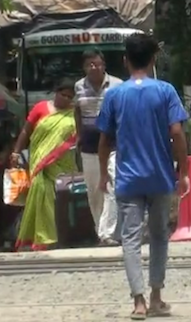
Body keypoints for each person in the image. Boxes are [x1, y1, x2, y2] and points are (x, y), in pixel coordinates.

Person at [96, 33, 189, 320]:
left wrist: (102, 174)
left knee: (131, 239)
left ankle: (138, 302)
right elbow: (177, 133)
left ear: (125, 61)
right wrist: (182, 171)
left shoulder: (114, 95)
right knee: (160, 235)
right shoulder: (165, 91)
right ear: (152, 60)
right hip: (160, 177)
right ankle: (157, 296)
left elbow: (104, 140)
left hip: (128, 179)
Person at [10, 79, 79, 251]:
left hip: (63, 162)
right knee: (40, 192)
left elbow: (78, 136)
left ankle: (61, 235)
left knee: (61, 198)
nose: (66, 99)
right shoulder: (40, 108)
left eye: (70, 97)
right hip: (40, 161)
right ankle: (43, 237)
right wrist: (16, 152)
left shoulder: (73, 113)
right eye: (64, 95)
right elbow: (26, 130)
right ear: (56, 92)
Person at [74, 49, 123, 246]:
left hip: (113, 144)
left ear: (104, 65)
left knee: (111, 186)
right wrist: (78, 135)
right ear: (84, 67)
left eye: (97, 64)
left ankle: (108, 233)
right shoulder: (79, 86)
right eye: (89, 64)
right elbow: (77, 112)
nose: (94, 67)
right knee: (94, 191)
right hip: (89, 145)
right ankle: (100, 231)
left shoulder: (117, 85)